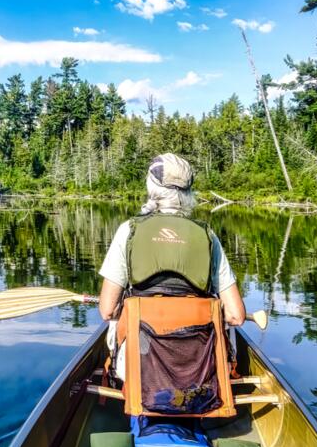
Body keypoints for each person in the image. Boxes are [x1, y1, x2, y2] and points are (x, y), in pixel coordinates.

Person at [96, 153, 246, 380]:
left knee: (116, 319)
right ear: (187, 193)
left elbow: (107, 311)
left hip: (140, 369)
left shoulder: (129, 230)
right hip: (199, 367)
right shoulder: (208, 236)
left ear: (152, 187)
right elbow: (236, 316)